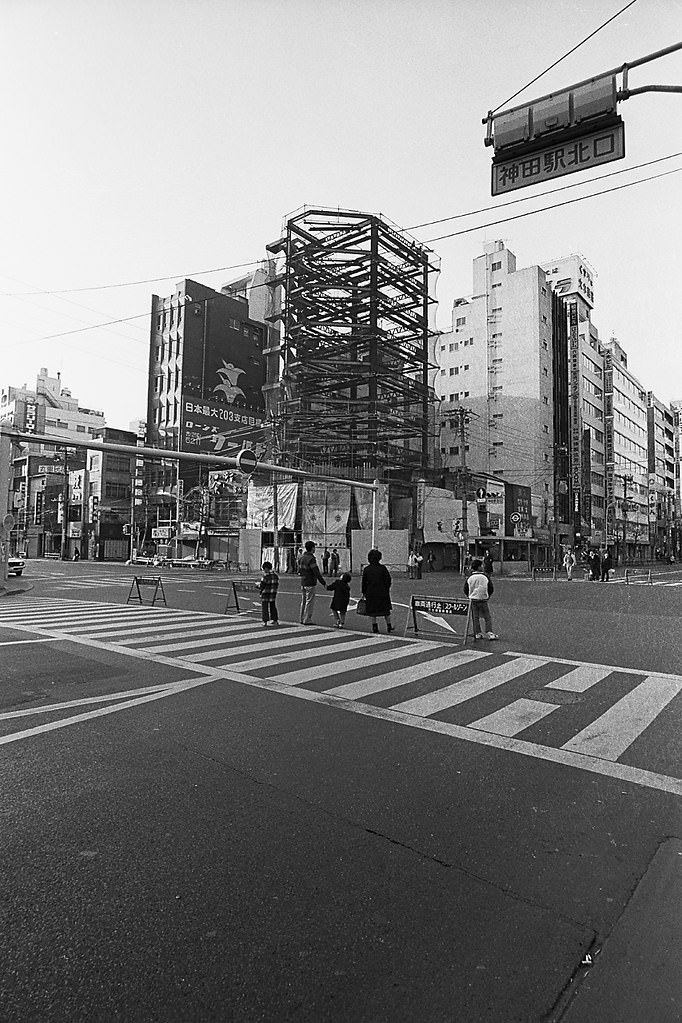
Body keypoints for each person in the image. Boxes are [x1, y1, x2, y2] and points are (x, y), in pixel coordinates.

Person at [464, 558, 498, 641]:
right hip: (483, 599)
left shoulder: (470, 578)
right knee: (487, 616)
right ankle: (489, 632)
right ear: (479, 567)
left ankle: (477, 633)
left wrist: (469, 595)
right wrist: (487, 596)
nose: (483, 567)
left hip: (473, 599)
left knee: (475, 617)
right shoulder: (485, 577)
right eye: (481, 565)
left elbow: (465, 589)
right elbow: (491, 588)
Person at [362, 549, 394, 635]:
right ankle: (389, 626)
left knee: (372, 612)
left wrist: (364, 592)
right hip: (382, 592)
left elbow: (364, 582)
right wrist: (386, 588)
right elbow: (388, 579)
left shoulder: (366, 569)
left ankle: (374, 627)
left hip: (371, 592)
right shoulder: (383, 568)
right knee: (386, 611)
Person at [298, 540, 326, 624]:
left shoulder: (301, 558)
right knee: (309, 601)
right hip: (310, 581)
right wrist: (323, 583)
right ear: (312, 548)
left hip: (303, 581)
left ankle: (301, 618)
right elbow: (316, 572)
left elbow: (299, 570)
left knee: (303, 601)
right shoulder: (311, 559)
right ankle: (307, 619)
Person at [259, 561, 279, 627]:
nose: (264, 570)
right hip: (273, 593)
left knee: (265, 607)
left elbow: (261, 585)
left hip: (265, 593)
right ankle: (275, 620)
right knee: (273, 606)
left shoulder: (265, 576)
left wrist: (257, 585)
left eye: (264, 569)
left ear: (266, 568)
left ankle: (265, 621)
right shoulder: (275, 576)